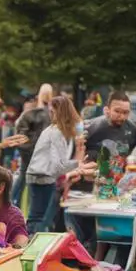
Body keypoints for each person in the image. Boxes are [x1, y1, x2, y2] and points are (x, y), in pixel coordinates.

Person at [69, 91, 136, 252]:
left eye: (126, 112)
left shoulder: (133, 128)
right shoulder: (91, 126)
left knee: (112, 233)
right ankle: (85, 264)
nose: (122, 116)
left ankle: (111, 270)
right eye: (117, 111)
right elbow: (75, 154)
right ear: (107, 109)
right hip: (86, 187)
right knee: (86, 234)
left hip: (116, 189)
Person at [25, 96, 91, 234]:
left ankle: (34, 247)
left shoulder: (59, 131)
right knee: (40, 219)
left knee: (41, 218)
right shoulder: (56, 132)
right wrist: (77, 164)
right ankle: (33, 248)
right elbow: (59, 166)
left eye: (52, 112)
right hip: (42, 176)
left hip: (42, 176)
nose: (50, 115)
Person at [11, 84, 53, 207]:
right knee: (26, 179)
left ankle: (15, 203)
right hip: (34, 152)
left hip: (34, 152)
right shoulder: (39, 112)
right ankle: (15, 203)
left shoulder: (44, 111)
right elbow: (21, 132)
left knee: (25, 179)